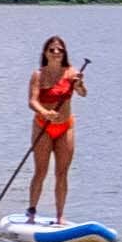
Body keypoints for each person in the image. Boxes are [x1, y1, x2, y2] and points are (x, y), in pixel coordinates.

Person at [23, 35, 88, 223]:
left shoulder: (72, 72)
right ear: (45, 53)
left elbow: (83, 94)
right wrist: (45, 112)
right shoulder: (38, 74)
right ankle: (32, 212)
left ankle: (60, 216)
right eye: (52, 49)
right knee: (41, 171)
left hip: (65, 127)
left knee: (62, 172)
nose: (56, 52)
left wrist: (79, 84)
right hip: (42, 126)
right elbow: (32, 101)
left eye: (60, 50)